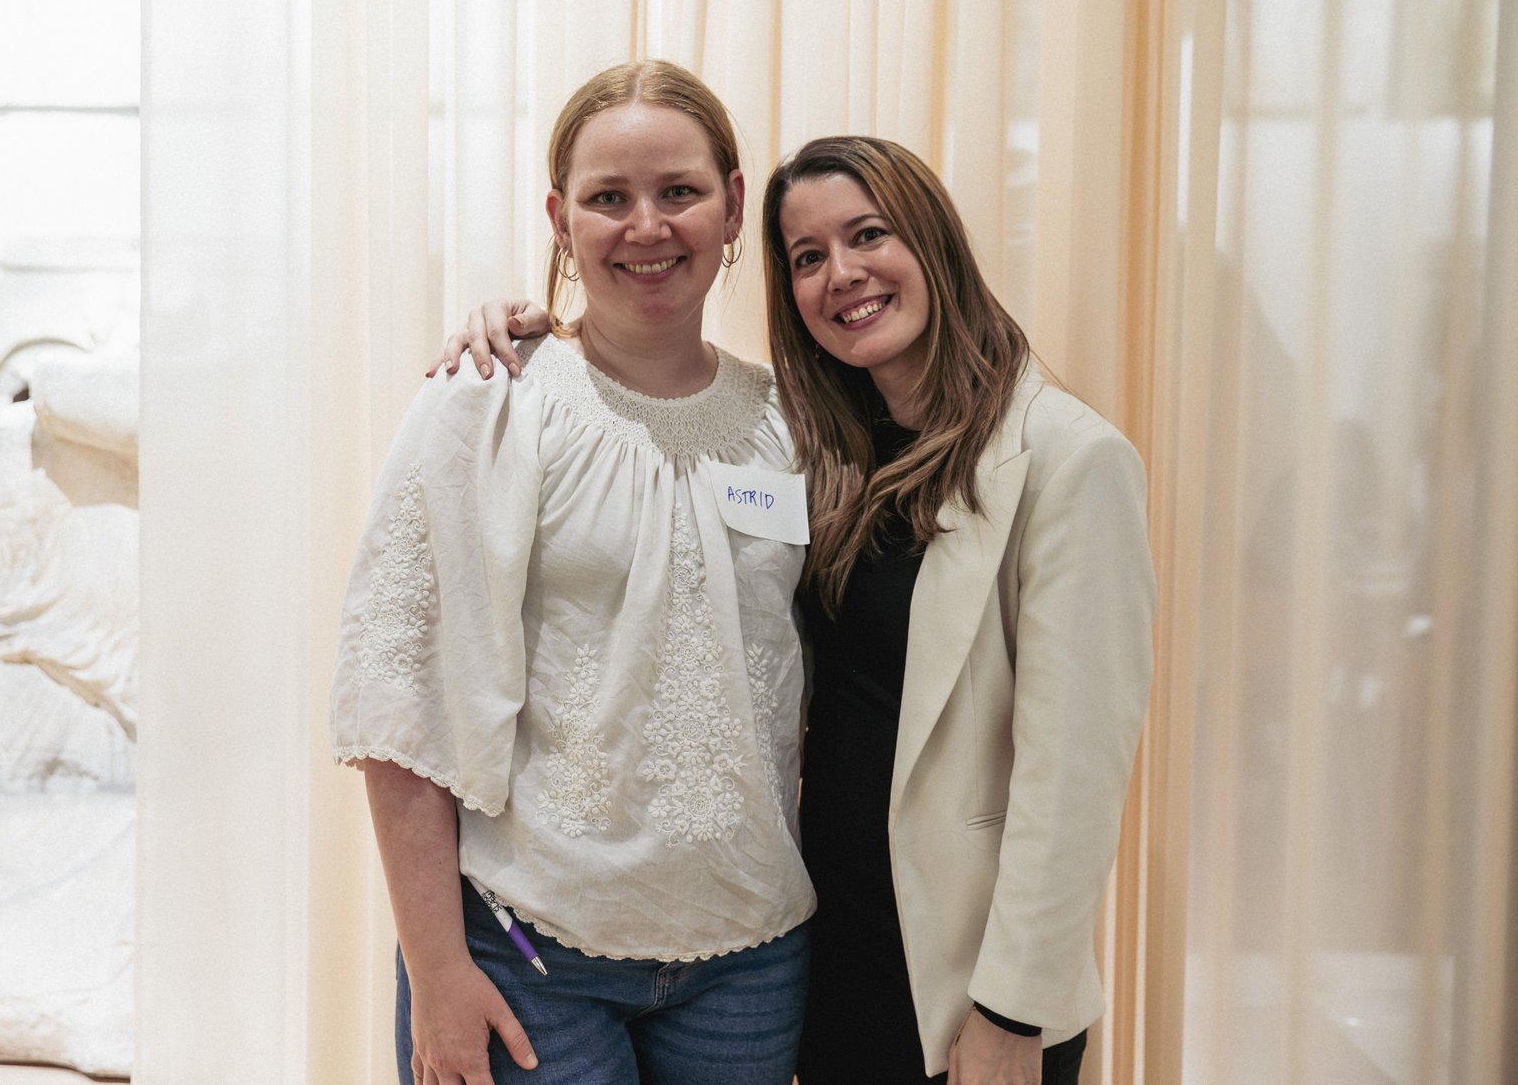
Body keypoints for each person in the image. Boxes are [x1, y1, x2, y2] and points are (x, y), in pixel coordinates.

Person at [440, 134, 1155, 1085]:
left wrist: (1011, 1010)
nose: (842, 275)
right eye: (809, 258)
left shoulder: (1068, 459)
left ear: (935, 244)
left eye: (869, 236)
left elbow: (1075, 782)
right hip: (830, 956)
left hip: (962, 981)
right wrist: (535, 326)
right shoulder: (821, 442)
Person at [332, 60, 816, 1085]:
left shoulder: (796, 424)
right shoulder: (490, 401)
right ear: (559, 219)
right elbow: (399, 701)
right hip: (527, 952)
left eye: (677, 191)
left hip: (753, 957)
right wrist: (434, 969)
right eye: (608, 198)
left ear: (733, 201)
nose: (645, 226)